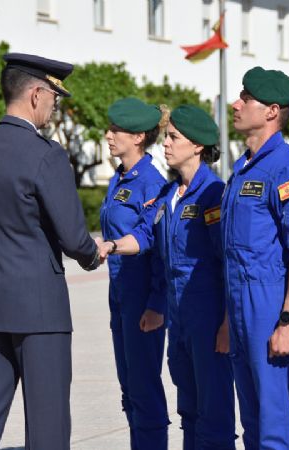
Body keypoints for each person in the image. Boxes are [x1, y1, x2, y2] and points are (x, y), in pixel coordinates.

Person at [0, 53, 107, 450]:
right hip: (39, 305)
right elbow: (74, 238)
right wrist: (95, 253)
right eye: (54, 99)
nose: (55, 108)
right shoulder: (46, 154)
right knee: (48, 421)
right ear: (36, 95)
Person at [104, 104, 236, 450]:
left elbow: (228, 263)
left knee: (214, 412)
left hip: (208, 318)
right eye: (166, 136)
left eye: (173, 138)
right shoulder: (167, 196)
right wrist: (110, 247)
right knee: (189, 410)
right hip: (180, 320)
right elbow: (146, 235)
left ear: (196, 146)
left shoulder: (213, 195)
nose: (164, 144)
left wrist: (226, 323)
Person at [221, 67, 289, 450]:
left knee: (276, 423)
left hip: (269, 306)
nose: (236, 103)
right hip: (241, 305)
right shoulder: (243, 167)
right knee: (253, 421)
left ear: (271, 111)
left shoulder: (284, 168)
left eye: (246, 98)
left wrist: (288, 319)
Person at [99, 97, 170, 450]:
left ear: (139, 137)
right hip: (121, 294)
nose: (109, 135)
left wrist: (157, 303)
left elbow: (159, 247)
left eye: (117, 130)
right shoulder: (120, 178)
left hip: (143, 297)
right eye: (110, 128)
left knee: (143, 385)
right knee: (129, 387)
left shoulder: (151, 183)